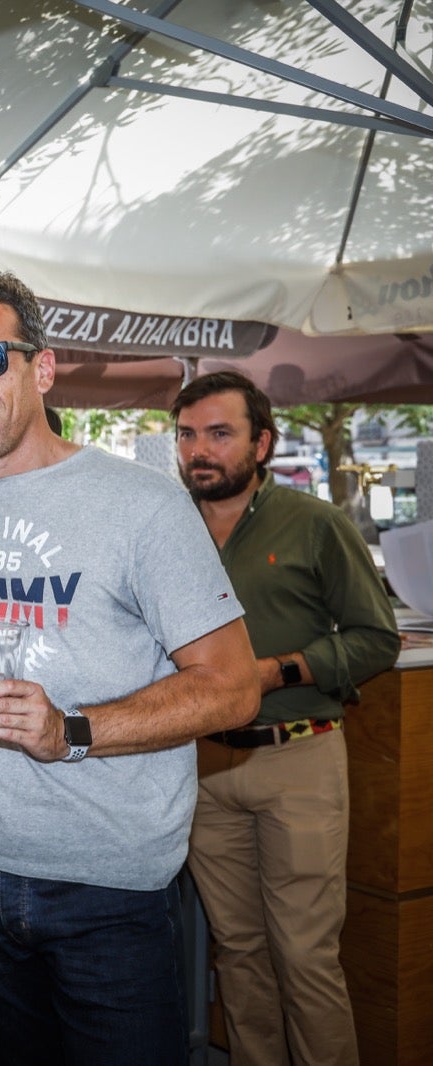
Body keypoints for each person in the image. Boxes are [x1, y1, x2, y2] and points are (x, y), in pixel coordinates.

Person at [0, 261, 261, 1065]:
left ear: (44, 367)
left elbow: (233, 688)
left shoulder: (143, 506)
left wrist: (71, 729)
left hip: (110, 886)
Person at [174, 371, 397, 1066]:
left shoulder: (316, 523)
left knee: (305, 958)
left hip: (297, 757)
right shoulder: (162, 526)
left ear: (262, 443)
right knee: (238, 955)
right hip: (203, 768)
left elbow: (376, 639)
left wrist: (282, 669)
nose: (199, 450)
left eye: (219, 433)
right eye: (186, 435)